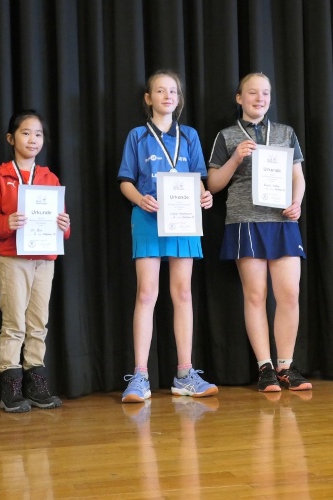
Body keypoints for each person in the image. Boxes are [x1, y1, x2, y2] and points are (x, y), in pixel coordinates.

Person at [117, 69, 218, 403]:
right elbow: (125, 181)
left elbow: (199, 179)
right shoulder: (137, 136)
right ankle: (140, 377)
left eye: (172, 91)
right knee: (146, 294)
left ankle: (185, 374)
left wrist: (205, 195)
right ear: (149, 99)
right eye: (159, 91)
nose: (167, 96)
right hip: (147, 218)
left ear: (179, 98)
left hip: (184, 219)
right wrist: (139, 198)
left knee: (183, 293)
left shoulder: (189, 135)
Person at [207, 72, 312, 393]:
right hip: (245, 221)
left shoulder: (285, 133)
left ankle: (286, 366)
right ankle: (264, 367)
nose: (260, 98)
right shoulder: (226, 136)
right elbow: (212, 185)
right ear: (239, 98)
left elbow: (299, 177)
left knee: (289, 294)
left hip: (282, 222)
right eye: (252, 93)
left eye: (265, 93)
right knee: (255, 295)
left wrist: (297, 201)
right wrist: (237, 158)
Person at [0, 109, 71, 412]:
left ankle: (37, 384)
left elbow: (64, 228)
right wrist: (7, 223)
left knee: (38, 323)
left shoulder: (49, 178)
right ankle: (11, 387)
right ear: (11, 138)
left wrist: (63, 224)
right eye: (25, 133)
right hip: (12, 259)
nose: (33, 139)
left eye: (38, 134)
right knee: (14, 323)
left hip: (44, 259)